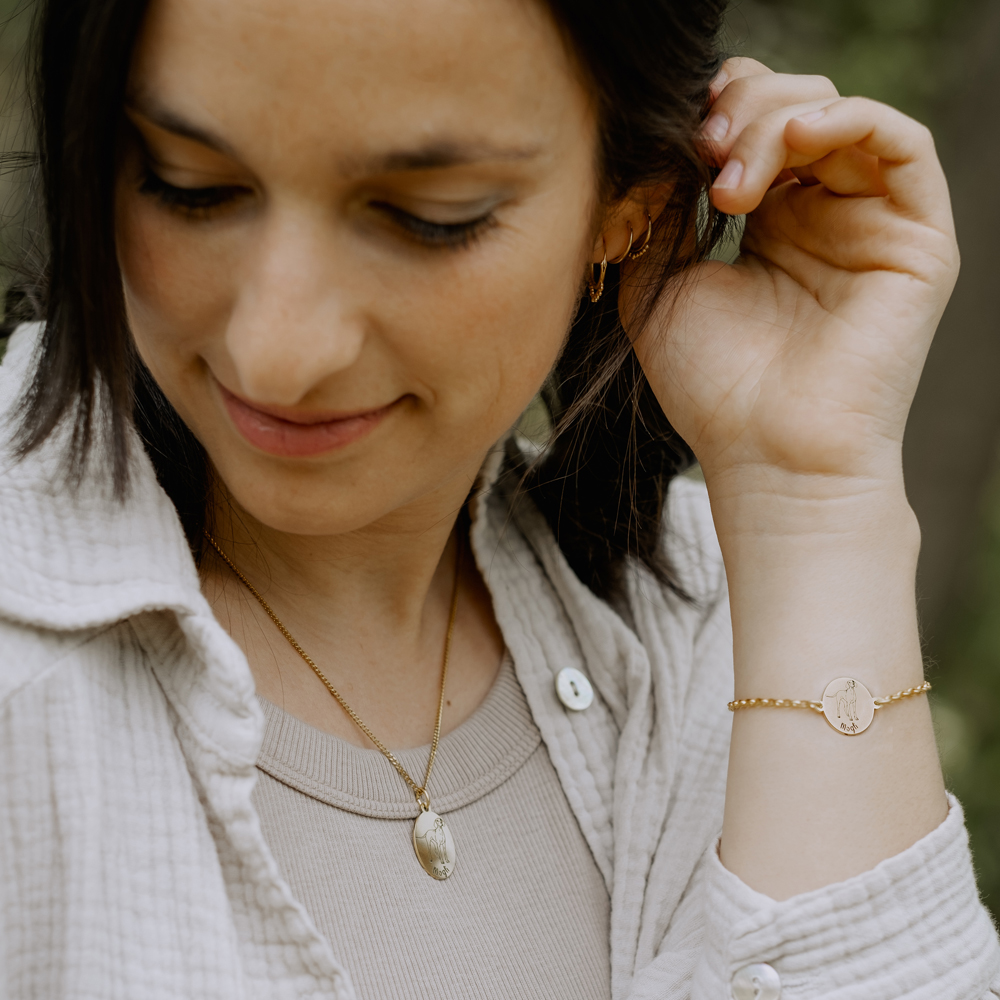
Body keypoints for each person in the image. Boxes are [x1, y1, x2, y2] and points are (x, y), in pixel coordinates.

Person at [0, 0, 997, 996]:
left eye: (428, 217)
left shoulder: (714, 630)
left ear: (628, 210)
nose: (277, 349)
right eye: (193, 188)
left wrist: (810, 496)